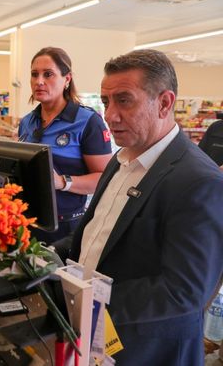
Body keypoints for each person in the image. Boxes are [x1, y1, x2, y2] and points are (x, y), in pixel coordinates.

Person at [64, 49, 223, 365]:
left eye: (124, 100)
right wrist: (41, 256)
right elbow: (98, 233)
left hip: (144, 350)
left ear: (164, 103)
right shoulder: (120, 158)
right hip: (93, 336)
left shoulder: (198, 181)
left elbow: (184, 291)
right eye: (107, 101)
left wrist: (88, 299)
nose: (109, 114)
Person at [19, 47, 112, 243]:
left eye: (48, 74)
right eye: (34, 75)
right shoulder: (27, 122)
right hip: (27, 223)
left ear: (67, 79)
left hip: (66, 229)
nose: (39, 81)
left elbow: (105, 178)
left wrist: (63, 182)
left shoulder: (87, 121)